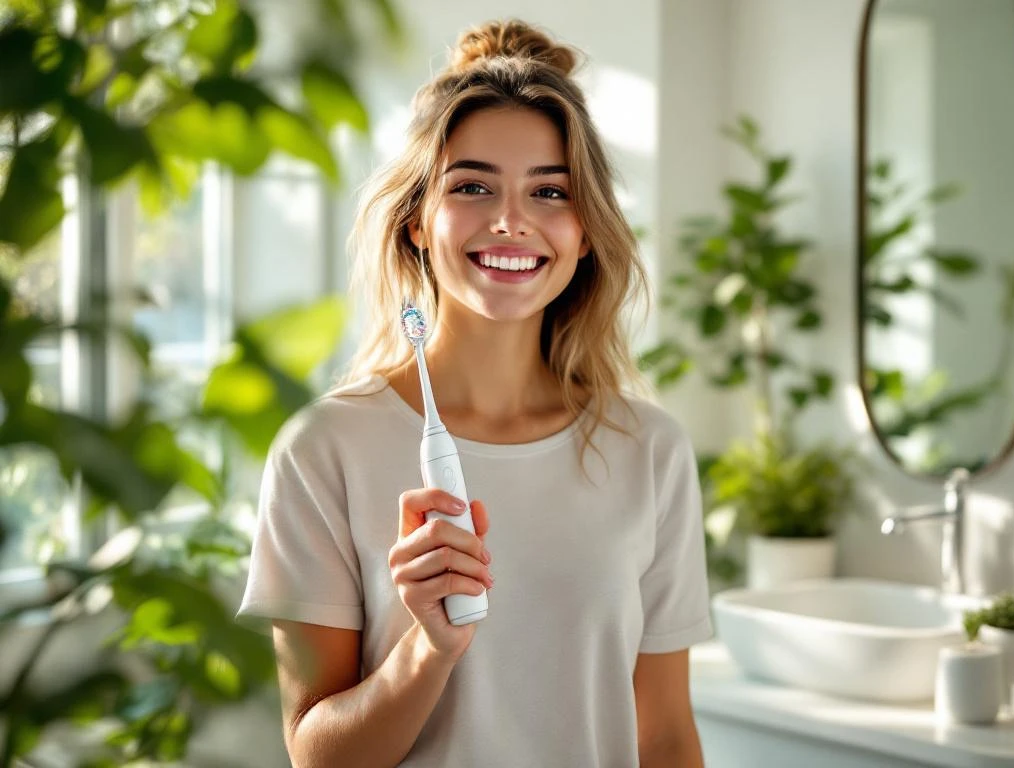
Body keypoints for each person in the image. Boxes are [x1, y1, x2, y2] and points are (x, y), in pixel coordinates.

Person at [238, 18, 712, 767]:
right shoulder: (324, 450)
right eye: (472, 186)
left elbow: (665, 736)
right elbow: (317, 757)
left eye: (549, 191)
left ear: (585, 233)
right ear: (418, 222)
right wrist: (427, 647)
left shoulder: (649, 450)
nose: (511, 221)